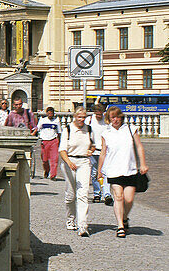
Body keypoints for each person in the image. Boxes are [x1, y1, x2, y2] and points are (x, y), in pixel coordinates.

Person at [96, 105, 149, 239]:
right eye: (112, 117)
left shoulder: (131, 129)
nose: (115, 120)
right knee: (118, 197)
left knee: (129, 199)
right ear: (108, 118)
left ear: (121, 117)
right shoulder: (106, 133)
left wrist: (142, 164)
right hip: (113, 169)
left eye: (117, 117)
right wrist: (100, 170)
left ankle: (125, 217)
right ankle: (120, 226)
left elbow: (139, 147)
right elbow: (103, 153)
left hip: (130, 169)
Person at [59, 107, 96, 236]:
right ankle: (70, 219)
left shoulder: (89, 129)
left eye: (83, 117)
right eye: (79, 117)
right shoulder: (68, 130)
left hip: (84, 162)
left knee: (83, 194)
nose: (81, 119)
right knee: (71, 195)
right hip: (70, 163)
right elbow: (62, 150)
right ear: (75, 116)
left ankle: (83, 226)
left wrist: (91, 151)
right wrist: (69, 162)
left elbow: (93, 144)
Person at [88, 102, 110, 204]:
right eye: (97, 114)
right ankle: (97, 193)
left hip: (105, 151)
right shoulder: (90, 120)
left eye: (100, 114)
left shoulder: (106, 121)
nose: (99, 116)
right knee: (94, 173)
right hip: (94, 150)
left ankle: (107, 194)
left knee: (105, 172)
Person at [37, 106, 62, 179]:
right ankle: (47, 170)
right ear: (47, 113)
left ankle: (53, 175)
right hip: (44, 141)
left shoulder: (56, 121)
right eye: (49, 113)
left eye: (52, 114)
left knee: (54, 159)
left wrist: (59, 142)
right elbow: (37, 129)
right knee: (44, 160)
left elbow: (59, 132)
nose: (50, 115)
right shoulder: (42, 120)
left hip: (53, 141)